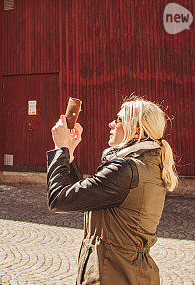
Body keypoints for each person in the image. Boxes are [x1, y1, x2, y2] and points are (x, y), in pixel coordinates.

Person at [47, 95, 178, 285]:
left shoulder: (126, 169)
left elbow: (59, 200)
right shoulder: (146, 163)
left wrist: (60, 149)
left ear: (137, 131)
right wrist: (70, 155)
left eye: (119, 120)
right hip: (127, 271)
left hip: (114, 273)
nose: (110, 124)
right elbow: (87, 198)